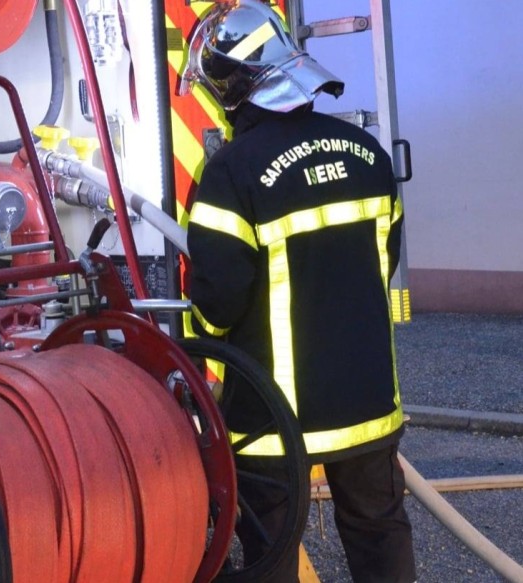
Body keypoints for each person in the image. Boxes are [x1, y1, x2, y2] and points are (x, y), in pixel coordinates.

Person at [181, 1, 416, 582]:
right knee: (379, 531)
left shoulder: (231, 173)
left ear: (234, 86)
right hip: (367, 401)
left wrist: (199, 345)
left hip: (273, 418)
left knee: (271, 550)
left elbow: (216, 300)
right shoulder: (367, 154)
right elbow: (383, 260)